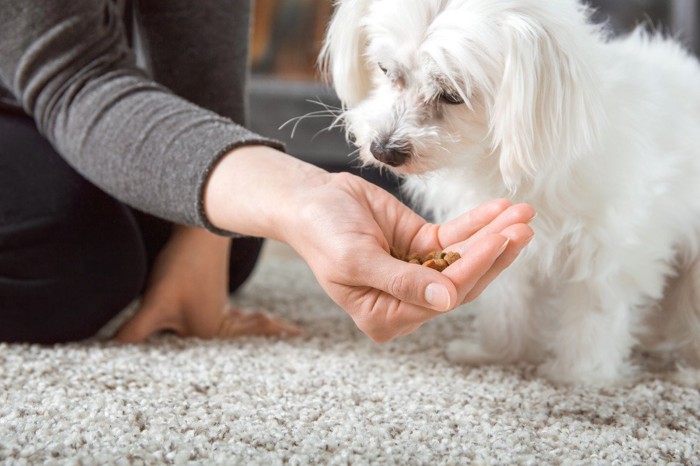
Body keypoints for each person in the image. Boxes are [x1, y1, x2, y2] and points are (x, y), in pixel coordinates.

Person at [0, 0, 535, 345]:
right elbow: (74, 74)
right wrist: (299, 197)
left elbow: (197, 26)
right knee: (76, 260)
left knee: (233, 238)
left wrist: (202, 237)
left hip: (61, 91)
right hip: (38, 79)